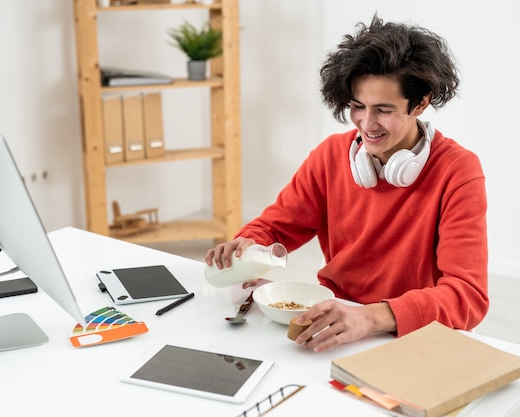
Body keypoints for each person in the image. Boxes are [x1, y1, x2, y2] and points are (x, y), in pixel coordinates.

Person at [205, 15, 488, 352]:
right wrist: (247, 245)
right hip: (336, 320)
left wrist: (369, 318)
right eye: (357, 106)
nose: (367, 124)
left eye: (383, 109)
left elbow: (467, 297)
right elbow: (276, 227)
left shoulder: (458, 171)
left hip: (410, 332)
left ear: (421, 102)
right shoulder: (330, 155)